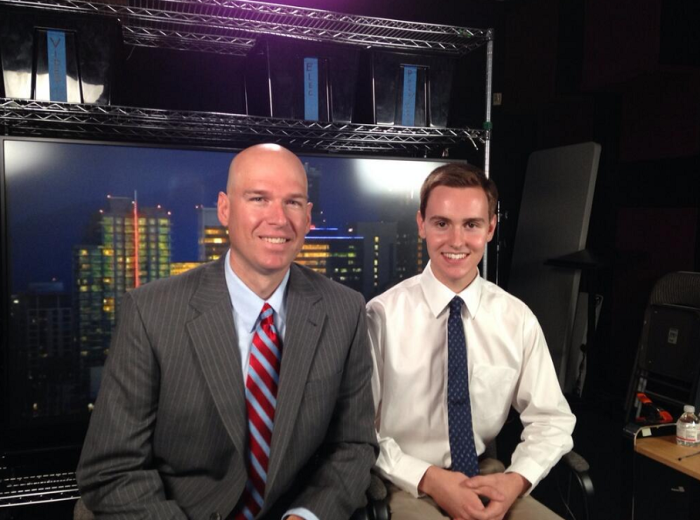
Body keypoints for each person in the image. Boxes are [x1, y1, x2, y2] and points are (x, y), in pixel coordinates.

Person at [77, 143, 377, 520]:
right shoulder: (151, 312)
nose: (279, 219)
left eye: (293, 202)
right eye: (259, 198)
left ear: (308, 216)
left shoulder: (344, 309)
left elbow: (353, 445)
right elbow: (111, 467)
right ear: (224, 209)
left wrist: (307, 516)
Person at [367, 163, 576, 520]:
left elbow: (551, 419)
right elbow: (360, 432)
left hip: (488, 476)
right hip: (403, 481)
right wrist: (430, 479)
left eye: (472, 225)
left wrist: (516, 480)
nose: (456, 241)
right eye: (441, 223)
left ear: (491, 228)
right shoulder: (381, 316)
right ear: (421, 224)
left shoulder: (516, 318)